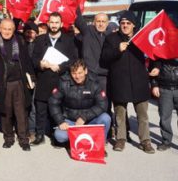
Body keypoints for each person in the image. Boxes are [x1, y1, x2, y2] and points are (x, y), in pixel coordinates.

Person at [101, 10, 155, 154]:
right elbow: (104, 58)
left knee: (142, 116)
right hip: (119, 82)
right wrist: (117, 50)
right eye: (122, 23)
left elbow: (154, 54)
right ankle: (121, 139)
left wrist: (156, 68)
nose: (125, 26)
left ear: (134, 25)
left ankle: (145, 141)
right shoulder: (111, 38)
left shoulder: (141, 38)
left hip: (139, 82)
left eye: (128, 23)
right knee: (120, 114)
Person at [31, 12, 78, 145]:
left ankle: (56, 136)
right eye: (52, 22)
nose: (54, 25)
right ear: (48, 23)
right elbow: (33, 59)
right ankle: (40, 135)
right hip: (44, 79)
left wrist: (60, 67)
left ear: (61, 24)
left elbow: (73, 60)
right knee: (41, 109)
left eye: (57, 22)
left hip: (60, 80)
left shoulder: (69, 40)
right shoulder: (40, 40)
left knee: (58, 109)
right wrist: (40, 64)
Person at [0, 19, 36, 151]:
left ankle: (23, 139)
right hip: (3, 84)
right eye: (4, 29)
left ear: (13, 30)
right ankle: (8, 138)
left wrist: (31, 79)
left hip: (19, 83)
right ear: (0, 29)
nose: (6, 31)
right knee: (6, 113)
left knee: (21, 113)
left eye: (9, 29)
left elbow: (27, 62)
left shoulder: (20, 42)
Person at [49, 59, 111, 148]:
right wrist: (60, 121)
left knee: (106, 118)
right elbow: (53, 102)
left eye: (80, 73)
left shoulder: (94, 82)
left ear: (85, 71)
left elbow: (102, 104)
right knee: (60, 136)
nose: (77, 76)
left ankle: (100, 144)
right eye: (74, 73)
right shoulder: (63, 82)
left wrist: (84, 117)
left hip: (89, 120)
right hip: (70, 120)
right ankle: (78, 140)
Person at [149, 58, 178, 151]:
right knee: (165, 117)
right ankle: (166, 141)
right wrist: (154, 85)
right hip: (164, 89)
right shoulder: (159, 50)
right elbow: (152, 69)